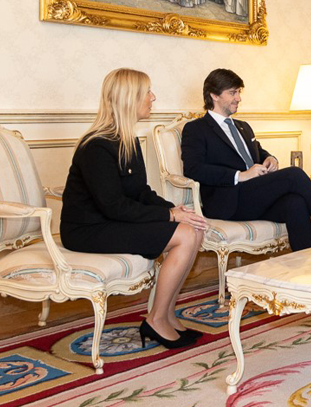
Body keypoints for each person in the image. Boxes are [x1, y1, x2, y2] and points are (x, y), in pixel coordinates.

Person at [60, 68, 207, 349]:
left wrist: (174, 209)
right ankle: (155, 320)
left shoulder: (127, 139)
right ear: (129, 98)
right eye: (147, 92)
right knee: (185, 235)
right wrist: (168, 216)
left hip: (112, 221)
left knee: (193, 230)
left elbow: (141, 192)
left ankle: (167, 314)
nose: (153, 97)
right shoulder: (96, 146)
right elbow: (113, 205)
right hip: (88, 230)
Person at [181, 69, 311, 251]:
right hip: (228, 200)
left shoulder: (243, 127)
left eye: (239, 92)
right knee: (294, 174)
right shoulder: (196, 129)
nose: (238, 98)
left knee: (295, 203)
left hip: (254, 196)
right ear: (214, 95)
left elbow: (258, 152)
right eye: (232, 93)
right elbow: (193, 168)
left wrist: (270, 158)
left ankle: (307, 263)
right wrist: (240, 175)